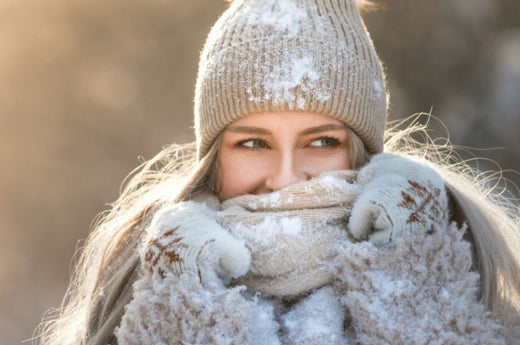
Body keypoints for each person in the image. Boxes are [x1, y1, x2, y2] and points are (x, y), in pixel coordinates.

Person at [36, 0, 520, 344]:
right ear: (214, 158)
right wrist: (180, 309)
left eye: (321, 141)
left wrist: (415, 273)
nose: (285, 177)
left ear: (362, 154)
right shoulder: (137, 300)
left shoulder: (469, 288)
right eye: (253, 143)